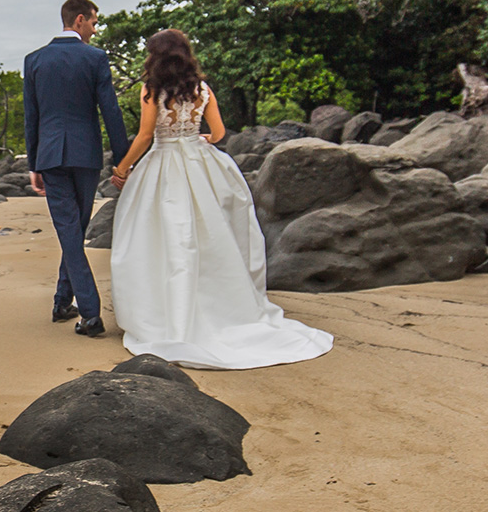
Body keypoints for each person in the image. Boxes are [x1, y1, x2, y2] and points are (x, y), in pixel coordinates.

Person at [107, 29, 332, 368]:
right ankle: (218, 304)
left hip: (164, 163)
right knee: (210, 235)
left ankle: (167, 310)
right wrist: (202, 139)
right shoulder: (202, 89)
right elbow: (221, 132)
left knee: (166, 239)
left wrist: (123, 169)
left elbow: (145, 135)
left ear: (155, 58)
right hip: (200, 163)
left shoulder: (152, 90)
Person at [23, 0, 130, 338]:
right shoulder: (95, 57)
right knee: (73, 230)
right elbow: (110, 111)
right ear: (80, 19)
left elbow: (32, 116)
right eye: (95, 23)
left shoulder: (35, 60)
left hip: (51, 156)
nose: (96, 30)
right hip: (85, 156)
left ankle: (62, 301)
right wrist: (123, 158)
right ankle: (89, 313)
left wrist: (34, 161)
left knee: (72, 231)